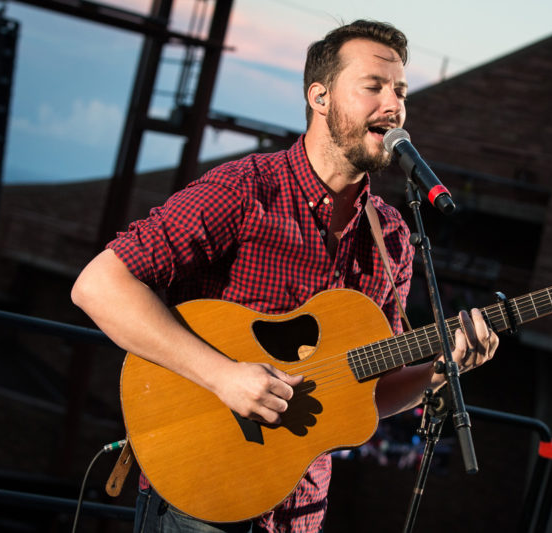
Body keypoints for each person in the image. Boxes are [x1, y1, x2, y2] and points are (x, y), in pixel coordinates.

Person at [71, 19, 498, 533]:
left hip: (300, 511)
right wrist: (224, 377)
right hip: (201, 495)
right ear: (319, 96)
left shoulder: (392, 237)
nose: (394, 104)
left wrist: (441, 368)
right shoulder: (245, 190)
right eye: (374, 87)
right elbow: (99, 284)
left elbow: (372, 392)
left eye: (401, 91)